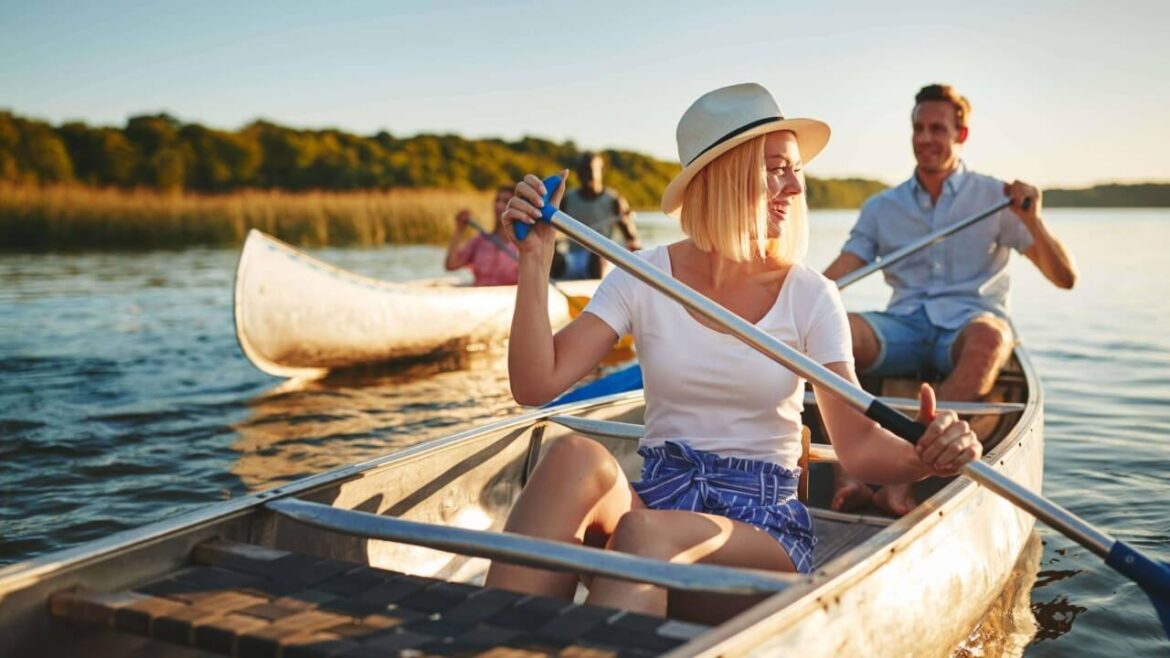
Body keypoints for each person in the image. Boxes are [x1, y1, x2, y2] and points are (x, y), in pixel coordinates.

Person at [484, 83, 982, 623]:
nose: (796, 186)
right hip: (658, 502)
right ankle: (495, 639)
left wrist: (923, 454)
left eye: (796, 170)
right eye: (777, 169)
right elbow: (534, 385)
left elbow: (858, 448)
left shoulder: (810, 294)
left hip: (760, 535)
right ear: (726, 175)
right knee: (572, 458)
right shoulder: (643, 275)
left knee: (645, 534)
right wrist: (533, 260)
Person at [823, 83, 1078, 516]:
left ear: (961, 135)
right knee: (834, 329)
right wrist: (789, 303)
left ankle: (899, 476)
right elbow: (841, 271)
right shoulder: (883, 207)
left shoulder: (997, 199)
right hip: (903, 324)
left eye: (937, 128)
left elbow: (1064, 278)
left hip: (970, 325)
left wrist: (1032, 220)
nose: (925, 138)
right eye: (918, 128)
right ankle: (846, 470)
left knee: (990, 340)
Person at [554, 151, 641, 279]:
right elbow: (553, 233)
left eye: (590, 170)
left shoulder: (614, 200)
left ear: (601, 171)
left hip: (603, 260)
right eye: (582, 170)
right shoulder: (567, 199)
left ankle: (598, 293)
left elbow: (632, 240)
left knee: (597, 255)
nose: (586, 174)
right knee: (554, 259)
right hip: (573, 258)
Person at [443, 186, 520, 286]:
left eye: (506, 202)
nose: (499, 206)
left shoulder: (524, 245)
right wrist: (459, 230)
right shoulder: (480, 241)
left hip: (508, 300)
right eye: (497, 200)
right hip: (479, 298)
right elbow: (451, 265)